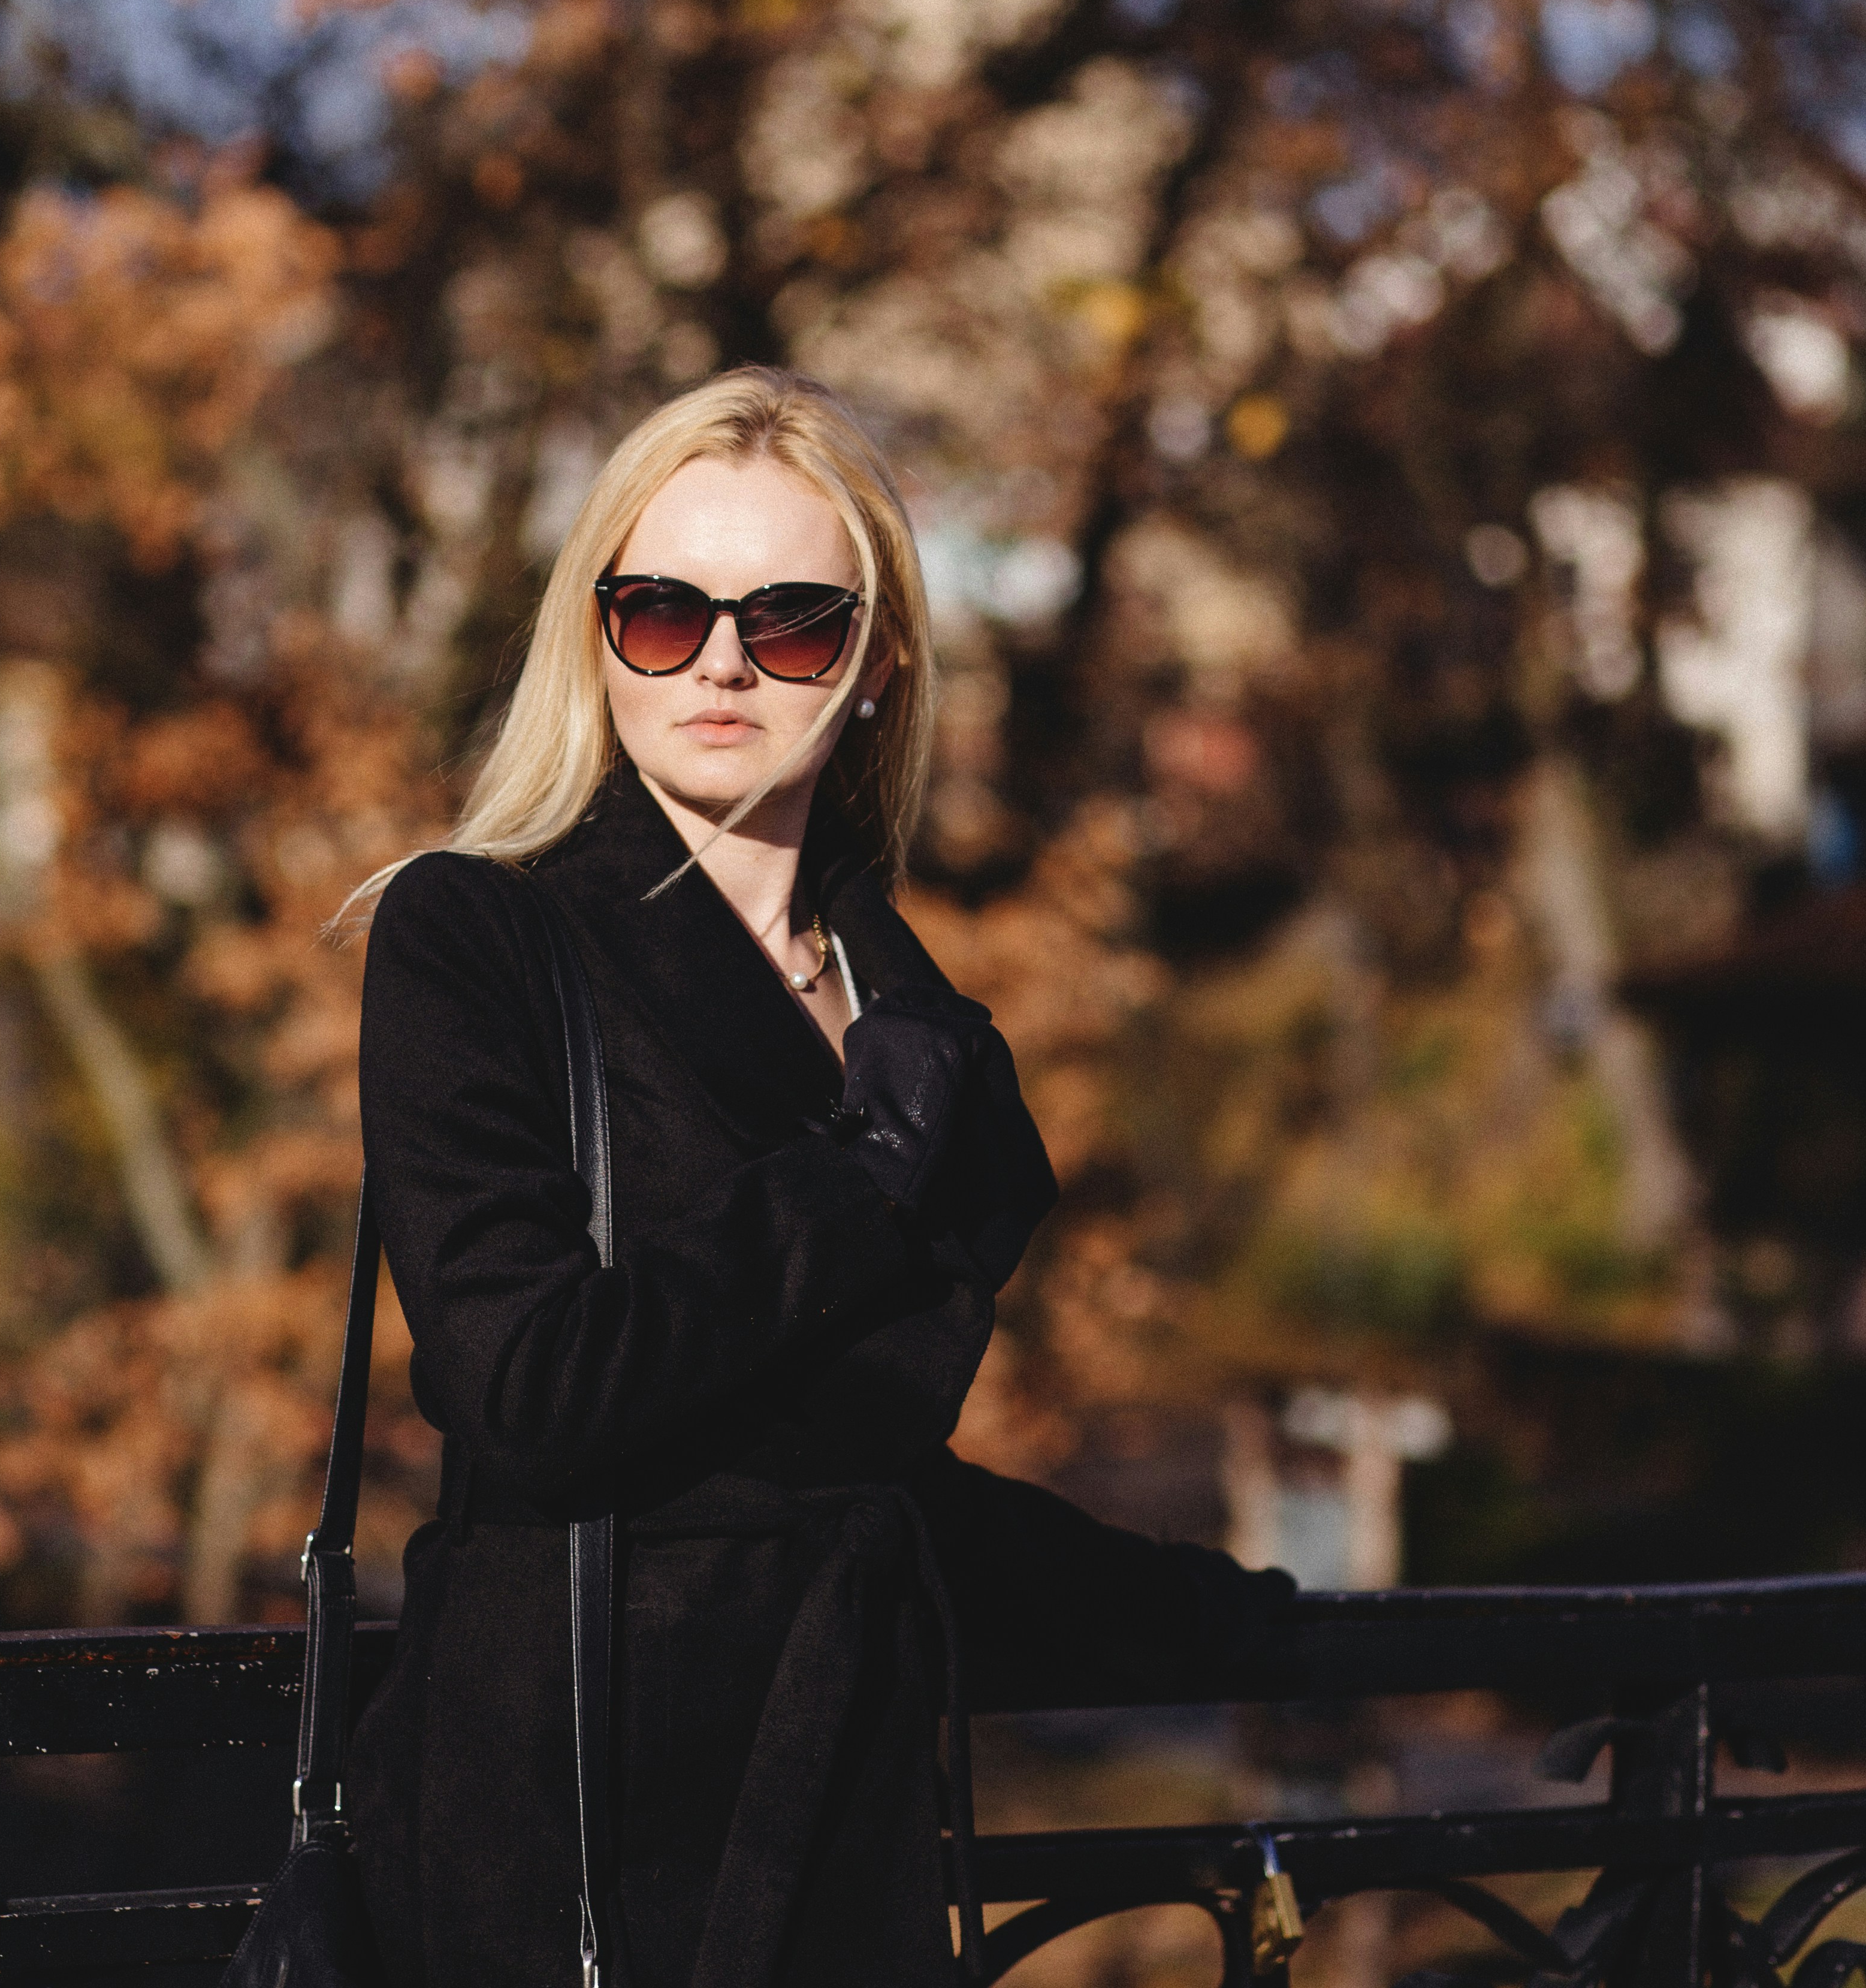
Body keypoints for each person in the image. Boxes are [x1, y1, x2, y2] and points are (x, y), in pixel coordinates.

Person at [339, 367, 1293, 1988]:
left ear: (877, 662)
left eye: (789, 622)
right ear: (595, 633)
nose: (720, 660)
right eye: (660, 611)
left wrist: (1207, 1616)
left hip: (832, 1811)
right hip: (557, 1829)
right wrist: (854, 1177)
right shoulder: (481, 933)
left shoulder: (923, 1044)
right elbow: (532, 1388)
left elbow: (860, 1485)